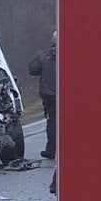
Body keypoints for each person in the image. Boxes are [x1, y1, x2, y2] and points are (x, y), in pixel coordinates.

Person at [29, 30, 57, 160]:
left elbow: (33, 70)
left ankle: (51, 149)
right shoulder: (76, 52)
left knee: (52, 122)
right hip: (69, 94)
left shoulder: (44, 55)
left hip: (50, 95)